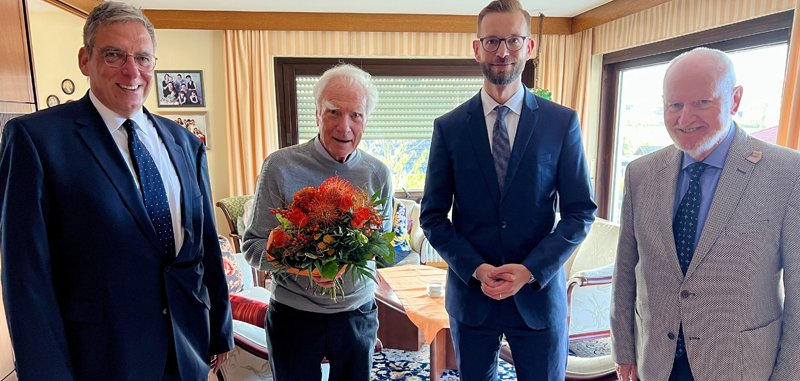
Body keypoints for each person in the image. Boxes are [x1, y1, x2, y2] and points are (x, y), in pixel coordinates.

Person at [0, 2, 233, 380]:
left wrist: (219, 327)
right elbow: (26, 278)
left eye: (143, 58)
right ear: (85, 60)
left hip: (186, 346)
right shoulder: (37, 140)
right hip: (100, 358)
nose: (132, 71)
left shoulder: (184, 144)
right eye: (114, 55)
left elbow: (205, 242)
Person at [419, 0, 596, 379]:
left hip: (537, 296)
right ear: (477, 48)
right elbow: (433, 217)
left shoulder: (560, 123)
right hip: (472, 297)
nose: (503, 51)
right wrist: (476, 269)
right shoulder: (448, 127)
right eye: (493, 40)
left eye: (513, 40)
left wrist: (531, 270)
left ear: (529, 47)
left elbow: (580, 211)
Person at [611, 47, 800, 381]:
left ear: (735, 99)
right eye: (675, 105)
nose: (685, 118)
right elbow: (627, 268)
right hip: (656, 359)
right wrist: (624, 348)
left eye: (702, 102)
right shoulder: (641, 172)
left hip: (739, 365)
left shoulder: (786, 172)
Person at [242, 63, 392, 381]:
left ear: (367, 118)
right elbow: (253, 248)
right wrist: (307, 268)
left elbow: (383, 244)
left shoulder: (377, 174)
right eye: (334, 112)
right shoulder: (280, 166)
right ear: (317, 113)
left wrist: (349, 259)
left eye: (356, 115)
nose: (345, 127)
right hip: (294, 316)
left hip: (356, 315)